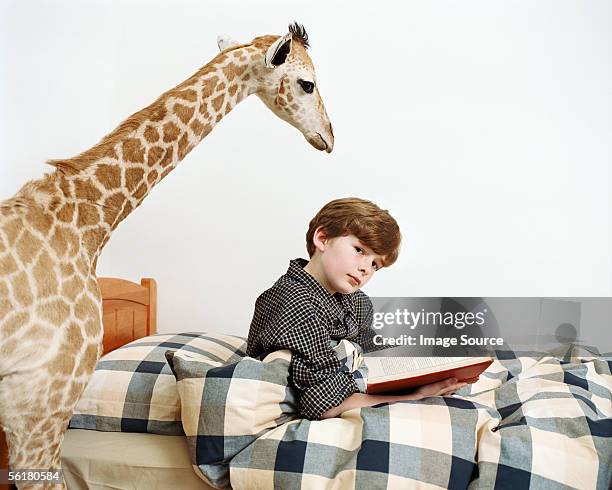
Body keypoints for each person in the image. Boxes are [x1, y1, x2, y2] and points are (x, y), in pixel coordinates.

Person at [246, 197, 466, 420]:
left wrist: (430, 365)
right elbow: (323, 404)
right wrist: (414, 395)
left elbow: (374, 350)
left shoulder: (357, 302)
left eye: (374, 265)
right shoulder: (294, 300)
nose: (365, 269)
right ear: (322, 238)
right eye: (360, 250)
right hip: (319, 402)